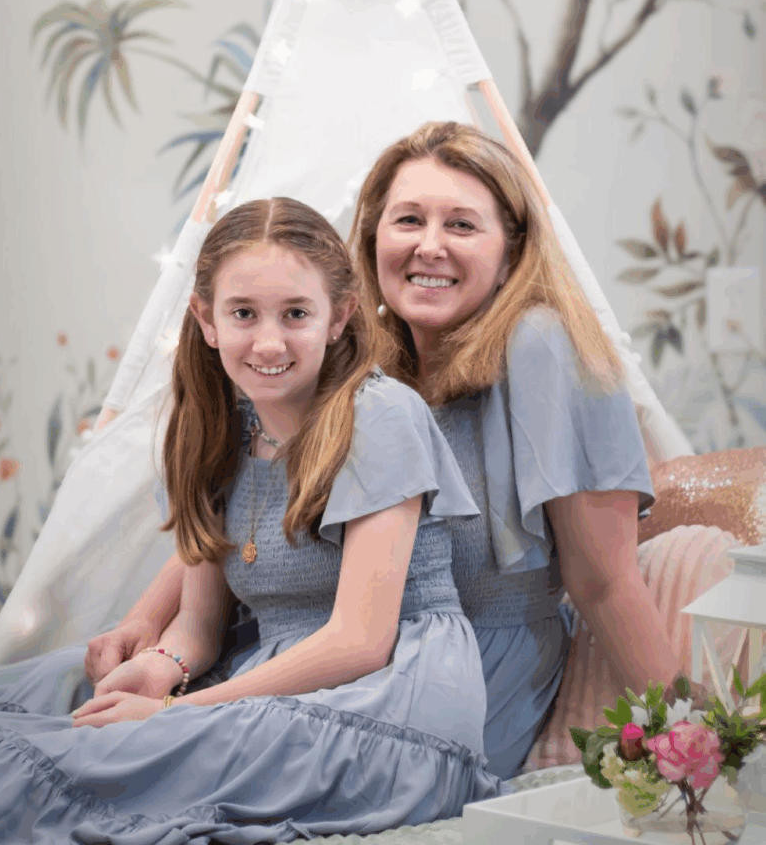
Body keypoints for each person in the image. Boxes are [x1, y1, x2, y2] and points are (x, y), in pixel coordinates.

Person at [86, 122, 691, 782]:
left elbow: (601, 579)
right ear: (372, 236)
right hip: (327, 658)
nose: (428, 246)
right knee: (70, 714)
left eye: (461, 225)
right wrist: (147, 620)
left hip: (461, 675)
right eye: (407, 220)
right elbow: (255, 505)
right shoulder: (359, 365)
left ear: (512, 250)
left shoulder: (541, 346)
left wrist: (693, 743)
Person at [0, 197, 504, 845]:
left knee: (103, 758)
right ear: (205, 320)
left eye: (295, 313)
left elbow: (360, 641)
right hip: (276, 673)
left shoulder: (378, 415)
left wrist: (168, 714)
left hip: (390, 700)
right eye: (243, 314)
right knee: (32, 694)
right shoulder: (219, 432)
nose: (268, 341)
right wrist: (165, 664)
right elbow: (200, 623)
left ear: (338, 316)